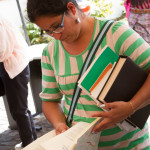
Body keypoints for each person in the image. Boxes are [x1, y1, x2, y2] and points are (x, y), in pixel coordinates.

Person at [27, 0, 150, 149]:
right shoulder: (51, 52)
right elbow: (50, 100)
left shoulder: (116, 34)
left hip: (130, 145)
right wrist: (59, 124)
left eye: (55, 27)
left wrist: (131, 106)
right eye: (47, 31)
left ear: (72, 9)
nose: (56, 36)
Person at [0, 16, 37, 149]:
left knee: (19, 111)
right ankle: (32, 141)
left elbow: (2, 51)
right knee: (21, 108)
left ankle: (28, 144)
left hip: (14, 66)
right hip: (13, 65)